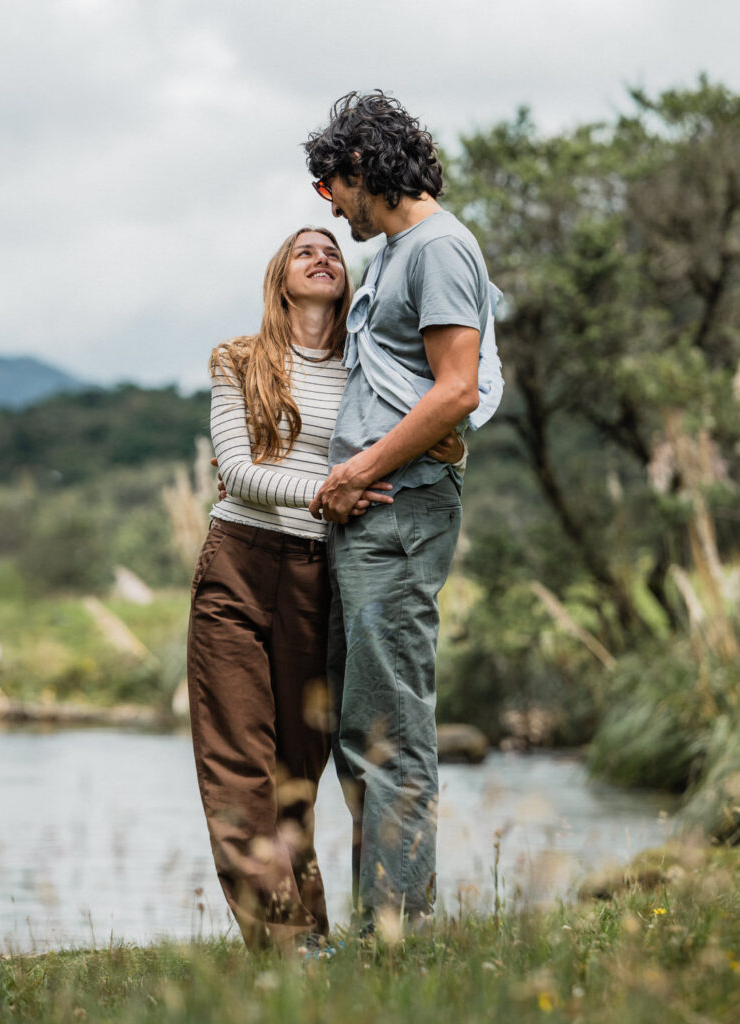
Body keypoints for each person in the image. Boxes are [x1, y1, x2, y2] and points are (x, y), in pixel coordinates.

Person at [187, 225, 464, 952]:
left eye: (333, 251)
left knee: (295, 770)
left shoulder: (366, 367)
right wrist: (328, 490)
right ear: (280, 276)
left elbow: (426, 424)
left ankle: (318, 938)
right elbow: (238, 470)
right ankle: (287, 943)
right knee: (235, 763)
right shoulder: (238, 359)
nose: (321, 256)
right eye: (303, 250)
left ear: (347, 281)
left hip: (318, 577)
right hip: (237, 565)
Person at [303, 91, 504, 933]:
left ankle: (402, 935)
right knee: (361, 724)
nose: (329, 205)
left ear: (361, 168)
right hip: (369, 510)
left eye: (330, 187)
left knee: (390, 726)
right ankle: (378, 926)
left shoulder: (440, 247)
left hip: (399, 506)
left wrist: (358, 470)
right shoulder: (392, 252)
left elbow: (456, 389)